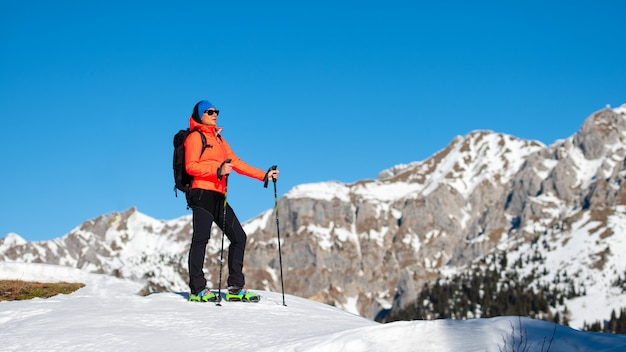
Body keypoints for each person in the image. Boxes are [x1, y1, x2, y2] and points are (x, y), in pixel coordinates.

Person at [185, 100, 279, 302]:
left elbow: (236, 163)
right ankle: (197, 289)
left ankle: (235, 287)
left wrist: (264, 175)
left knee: (239, 237)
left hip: (219, 195)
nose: (214, 114)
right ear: (200, 115)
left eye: (216, 111)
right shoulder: (195, 137)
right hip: (201, 193)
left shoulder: (219, 139)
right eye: (209, 111)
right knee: (201, 239)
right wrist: (217, 170)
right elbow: (190, 167)